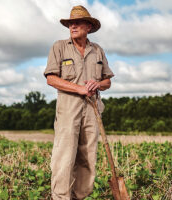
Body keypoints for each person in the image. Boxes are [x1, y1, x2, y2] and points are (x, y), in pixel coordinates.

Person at [43, 5, 115, 200]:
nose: (72, 26)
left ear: (88, 26)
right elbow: (51, 78)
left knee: (88, 157)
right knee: (64, 156)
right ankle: (60, 197)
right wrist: (79, 88)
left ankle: (80, 197)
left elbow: (108, 81)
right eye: (70, 23)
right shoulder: (59, 47)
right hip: (68, 109)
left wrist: (97, 84)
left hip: (93, 110)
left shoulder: (97, 50)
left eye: (77, 22)